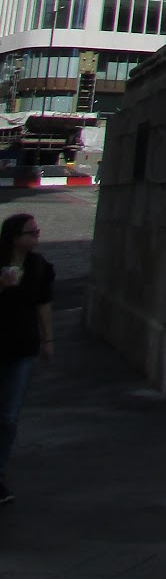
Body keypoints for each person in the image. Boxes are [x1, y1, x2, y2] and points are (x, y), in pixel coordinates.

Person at [0, 213, 55, 504]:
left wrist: (48, 340)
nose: (36, 235)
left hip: (23, 347)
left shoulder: (39, 266)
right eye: (30, 232)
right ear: (14, 237)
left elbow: (44, 305)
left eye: (37, 231)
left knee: (9, 417)